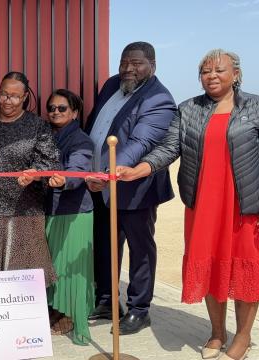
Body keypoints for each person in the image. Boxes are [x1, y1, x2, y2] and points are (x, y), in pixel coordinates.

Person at [118, 49, 258, 360]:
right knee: (210, 266)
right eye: (205, 71)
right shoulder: (188, 109)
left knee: (244, 271)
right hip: (204, 203)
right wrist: (136, 170)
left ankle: (244, 336)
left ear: (236, 74)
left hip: (245, 205)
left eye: (219, 70)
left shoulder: (256, 107)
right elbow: (167, 148)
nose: (211, 76)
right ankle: (217, 332)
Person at [84, 41, 176, 335]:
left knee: (140, 249)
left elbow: (141, 143)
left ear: (153, 64)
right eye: (124, 62)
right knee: (105, 243)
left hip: (135, 187)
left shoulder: (158, 99)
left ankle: (139, 309)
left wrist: (110, 172)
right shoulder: (113, 84)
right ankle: (108, 301)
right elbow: (94, 124)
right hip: (99, 184)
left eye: (136, 63)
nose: (128, 69)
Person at [0, 71, 59, 285]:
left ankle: (28, 317)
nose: (7, 100)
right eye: (3, 94)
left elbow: (49, 161)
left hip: (26, 210)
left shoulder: (37, 125)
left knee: (25, 276)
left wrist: (34, 173)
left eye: (14, 96)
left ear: (24, 98)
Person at [45, 89, 95, 344]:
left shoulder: (81, 141)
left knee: (69, 269)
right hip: (50, 210)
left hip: (74, 212)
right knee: (54, 266)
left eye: (62, 108)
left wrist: (65, 180)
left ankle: (72, 315)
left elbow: (77, 168)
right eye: (51, 108)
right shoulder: (46, 136)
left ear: (74, 112)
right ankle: (56, 309)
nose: (55, 112)